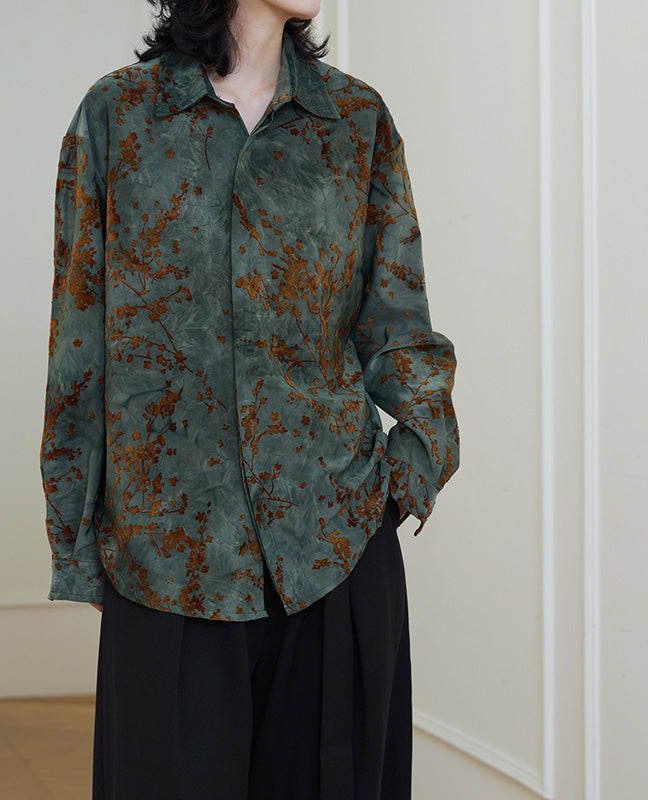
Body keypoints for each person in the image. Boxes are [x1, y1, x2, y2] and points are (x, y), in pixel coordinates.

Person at [39, 1, 460, 798]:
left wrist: (414, 464)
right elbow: (79, 345)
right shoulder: (118, 117)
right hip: (168, 559)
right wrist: (78, 543)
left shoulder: (356, 121)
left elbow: (398, 326)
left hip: (335, 550)